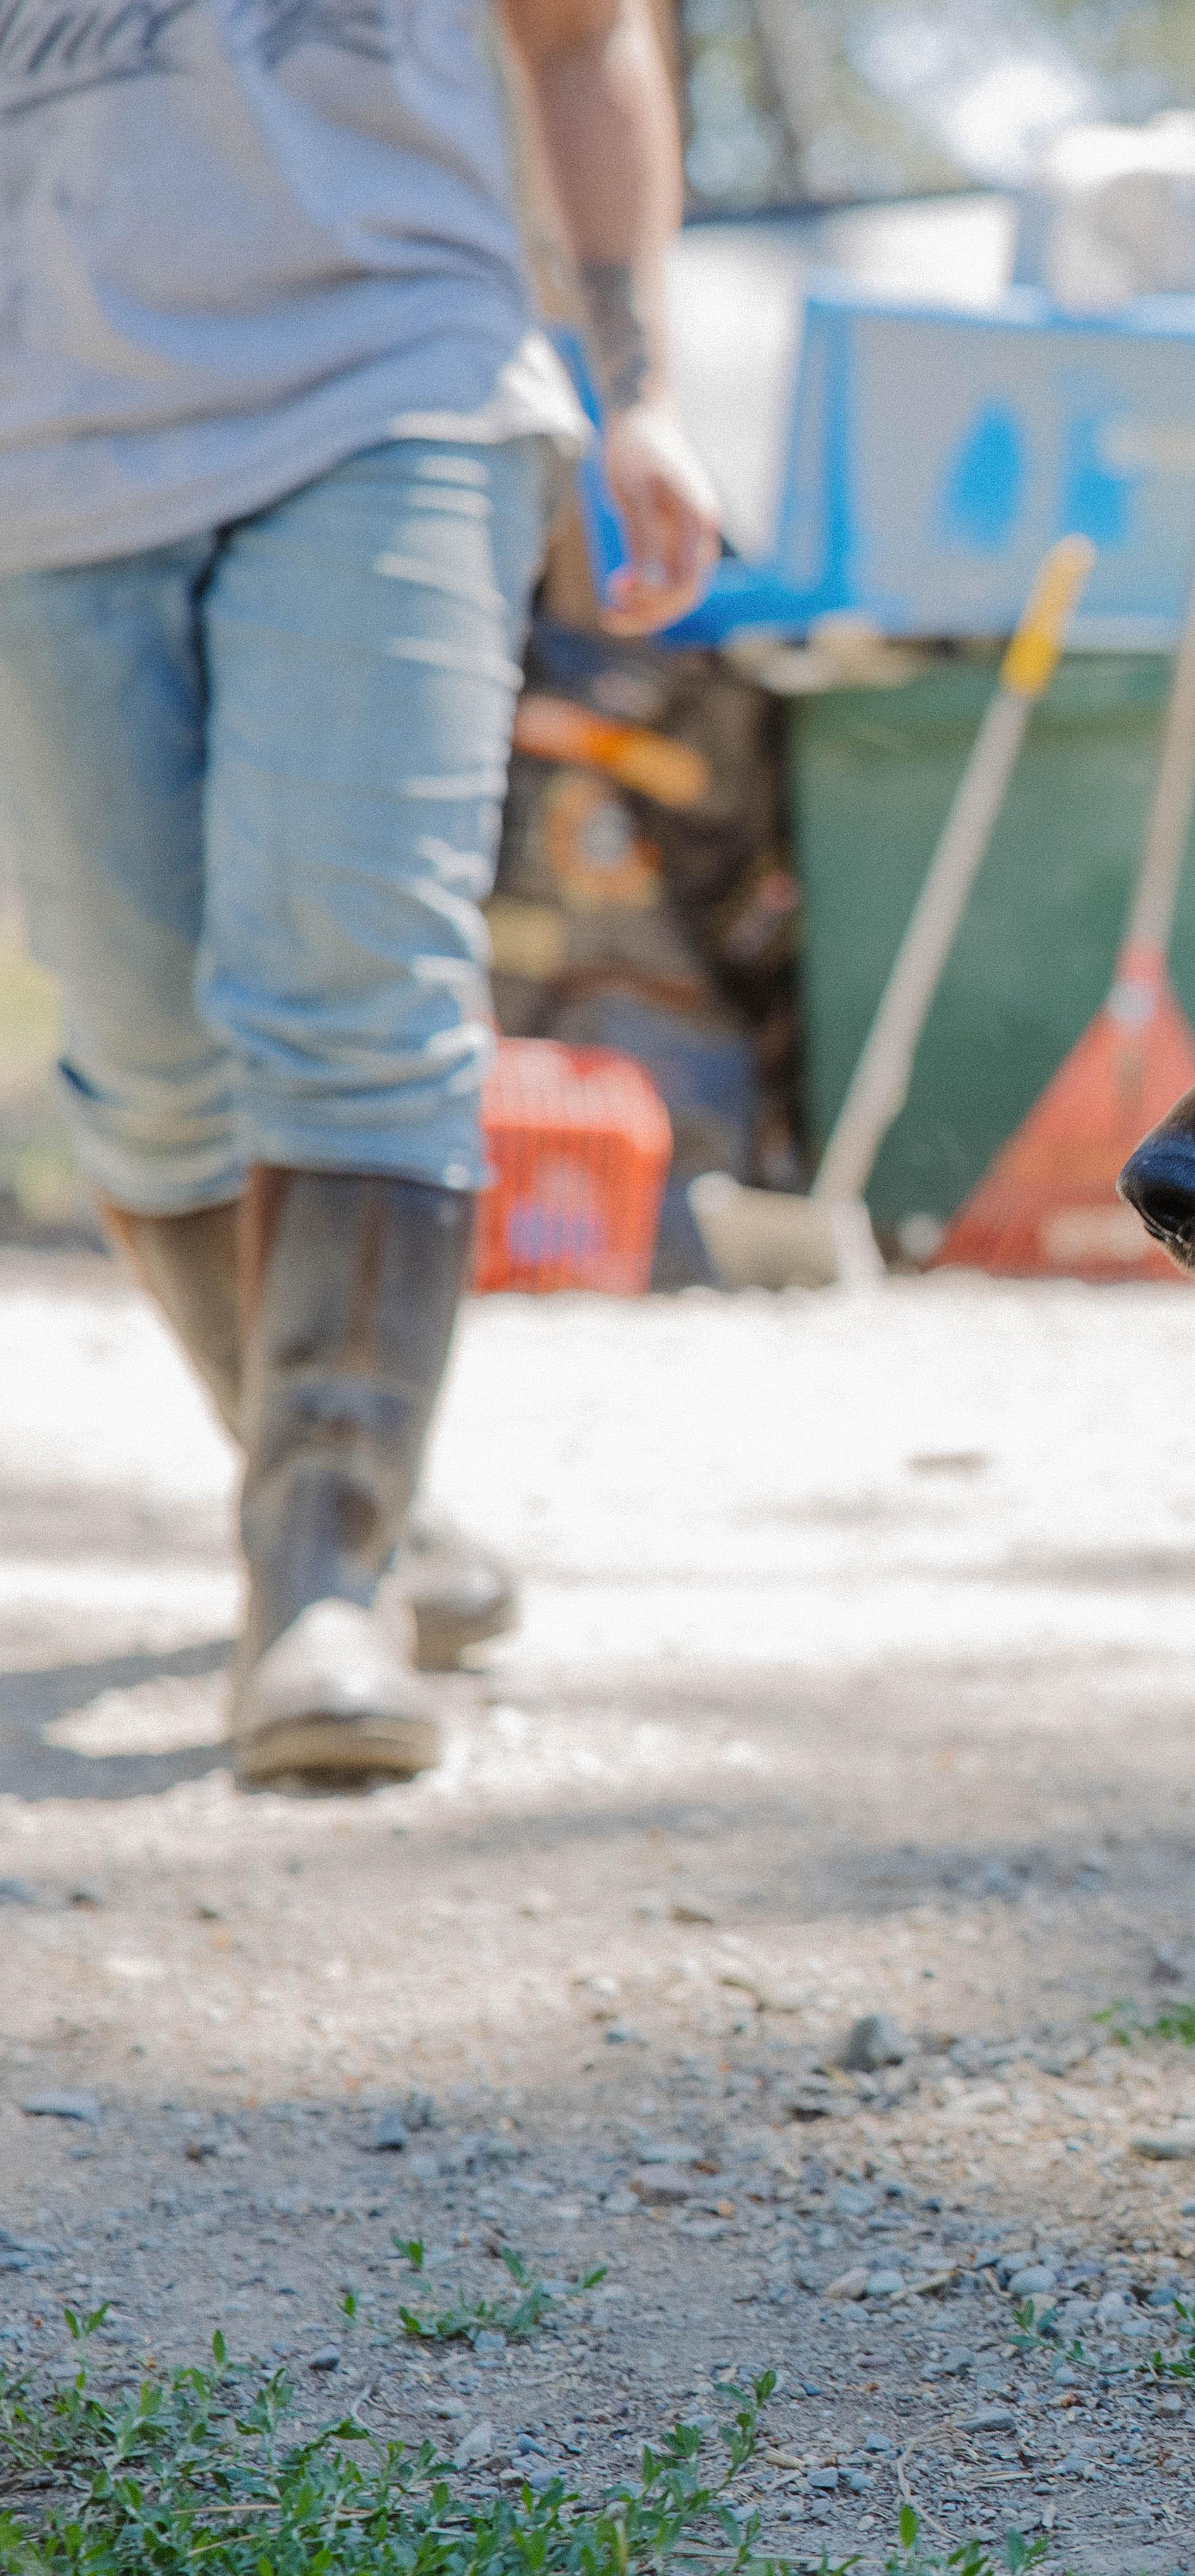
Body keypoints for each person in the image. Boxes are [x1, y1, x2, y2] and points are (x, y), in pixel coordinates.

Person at [0, 0, 722, 1787]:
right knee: (145, 1047)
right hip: (43, 451)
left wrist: (641, 391)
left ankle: (316, 1573)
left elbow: (580, 38)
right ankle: (361, 1499)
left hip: (391, 387)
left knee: (351, 967)